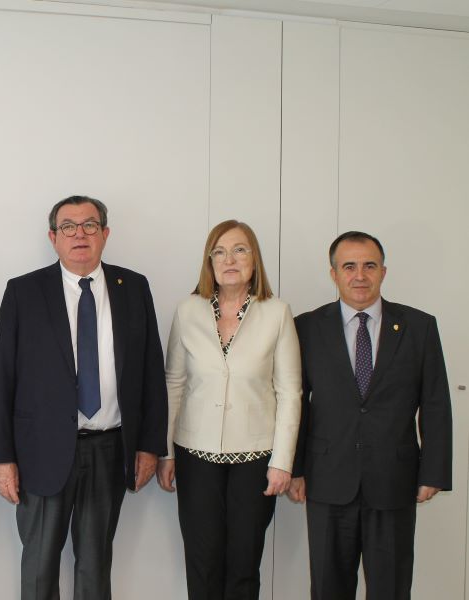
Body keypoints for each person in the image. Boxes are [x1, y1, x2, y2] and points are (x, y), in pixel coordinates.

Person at [0, 195, 167, 600]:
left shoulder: (133, 288)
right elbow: (3, 378)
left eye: (89, 225)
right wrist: (1, 457)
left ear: (105, 234)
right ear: (53, 237)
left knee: (96, 564)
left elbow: (152, 372)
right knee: (39, 566)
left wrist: (151, 447)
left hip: (109, 448)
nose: (79, 234)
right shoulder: (24, 292)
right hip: (41, 451)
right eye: (68, 226)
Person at [289, 231, 452, 600]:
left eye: (369, 266)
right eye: (349, 266)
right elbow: (295, 402)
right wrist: (295, 468)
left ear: (383, 271)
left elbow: (436, 403)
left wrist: (434, 472)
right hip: (328, 481)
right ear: (334, 274)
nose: (359, 275)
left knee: (391, 589)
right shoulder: (307, 327)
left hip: (394, 481)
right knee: (329, 588)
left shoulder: (419, 327)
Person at [157, 219, 301, 600]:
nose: (229, 259)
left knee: (243, 564)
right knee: (202, 562)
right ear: (209, 262)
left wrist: (283, 461)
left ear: (255, 259)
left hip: (256, 459)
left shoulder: (277, 313)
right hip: (195, 454)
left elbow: (290, 392)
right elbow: (174, 383)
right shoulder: (188, 310)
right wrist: (166, 452)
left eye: (239, 249)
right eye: (219, 251)